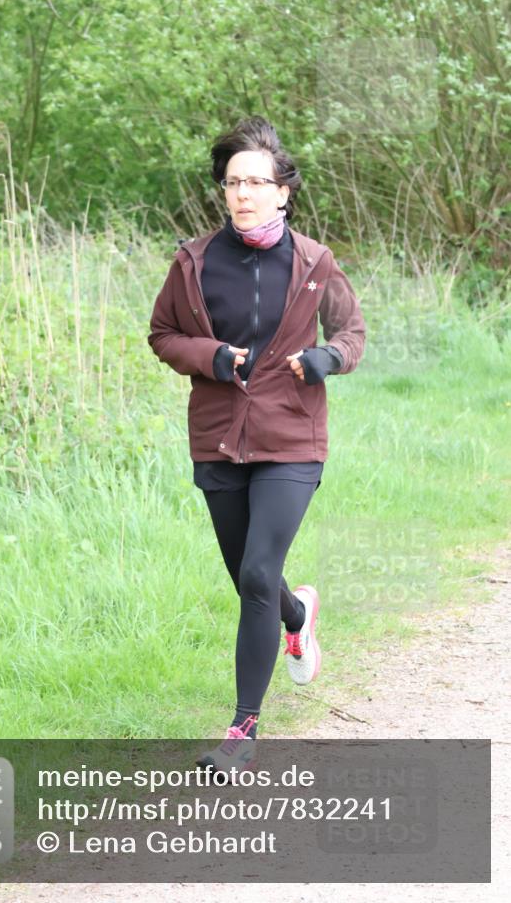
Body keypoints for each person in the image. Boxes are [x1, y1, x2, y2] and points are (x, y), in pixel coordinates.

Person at [148, 116, 365, 777]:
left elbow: (351, 331)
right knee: (257, 582)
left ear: (282, 192)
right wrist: (210, 355)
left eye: (255, 182)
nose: (242, 193)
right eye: (232, 182)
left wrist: (325, 358)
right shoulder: (193, 262)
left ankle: (241, 730)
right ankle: (297, 615)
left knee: (252, 575)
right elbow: (161, 335)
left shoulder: (311, 261)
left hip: (291, 437)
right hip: (217, 438)